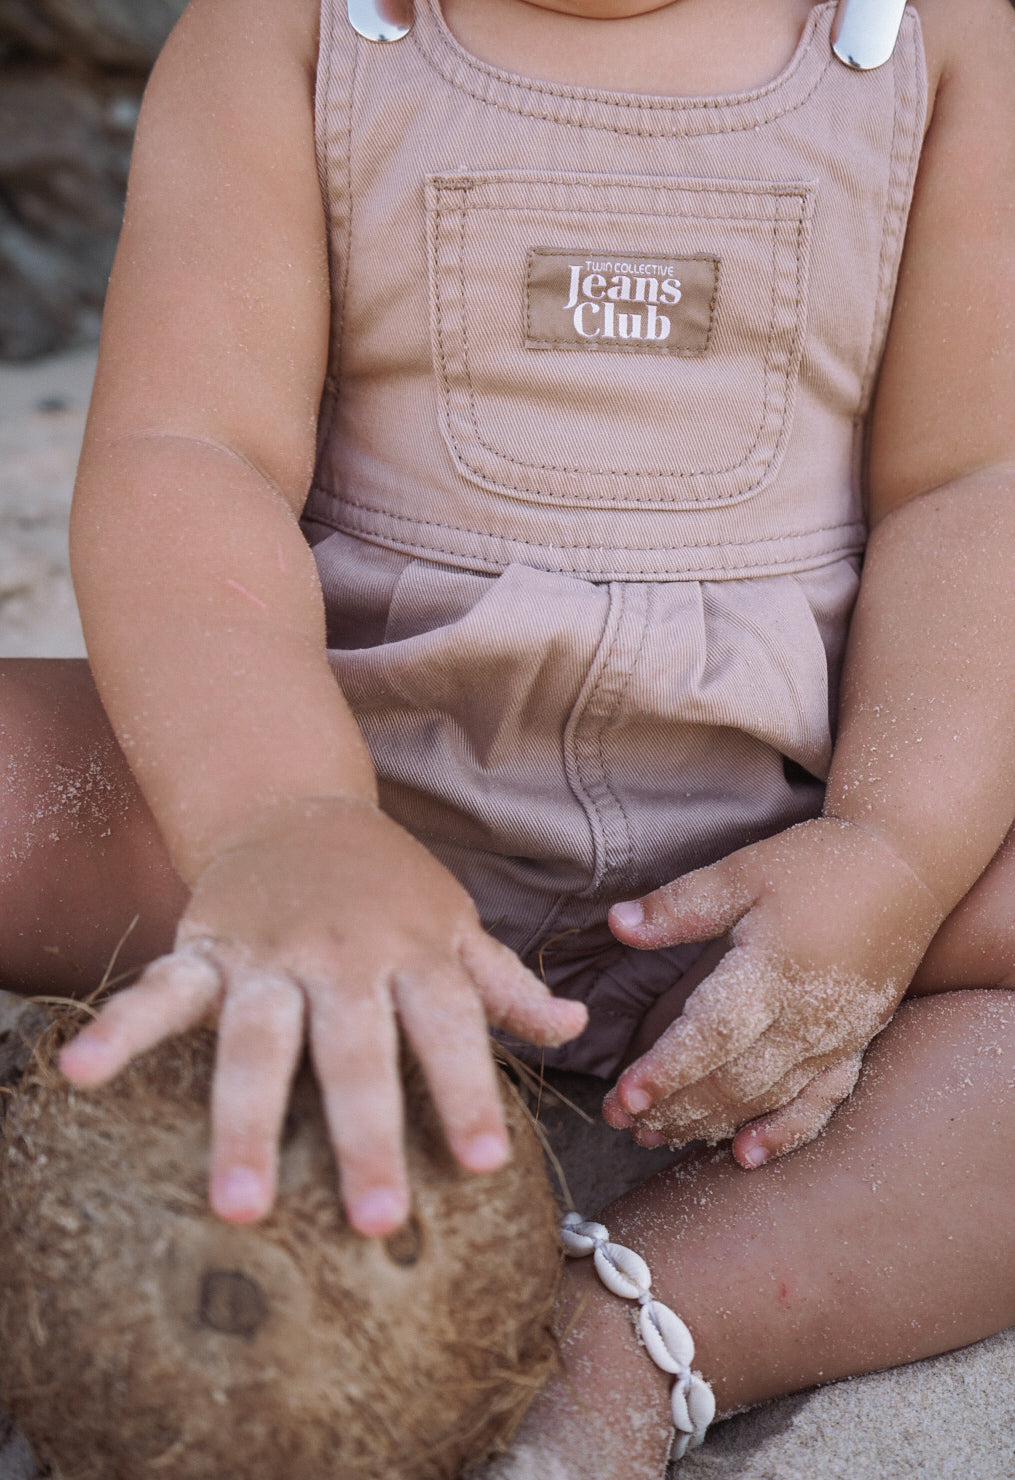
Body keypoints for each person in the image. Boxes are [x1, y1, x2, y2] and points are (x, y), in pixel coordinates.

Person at [1, 0, 1014, 1472]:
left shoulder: (938, 43)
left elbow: (970, 491)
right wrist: (282, 819)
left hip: (762, 876)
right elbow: (189, 453)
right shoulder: (288, 36)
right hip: (314, 793)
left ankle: (657, 1320)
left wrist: (896, 851)